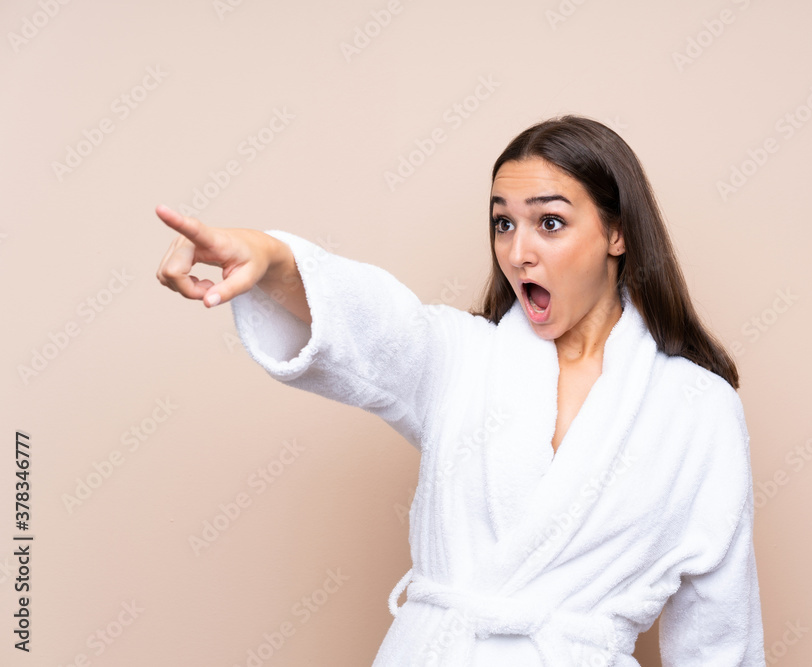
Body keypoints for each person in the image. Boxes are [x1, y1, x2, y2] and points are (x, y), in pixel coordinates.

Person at [155, 115, 766, 666]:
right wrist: (274, 257)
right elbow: (380, 329)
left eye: (549, 223)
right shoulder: (466, 358)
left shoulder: (697, 409)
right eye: (504, 223)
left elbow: (720, 632)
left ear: (617, 234)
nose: (518, 252)